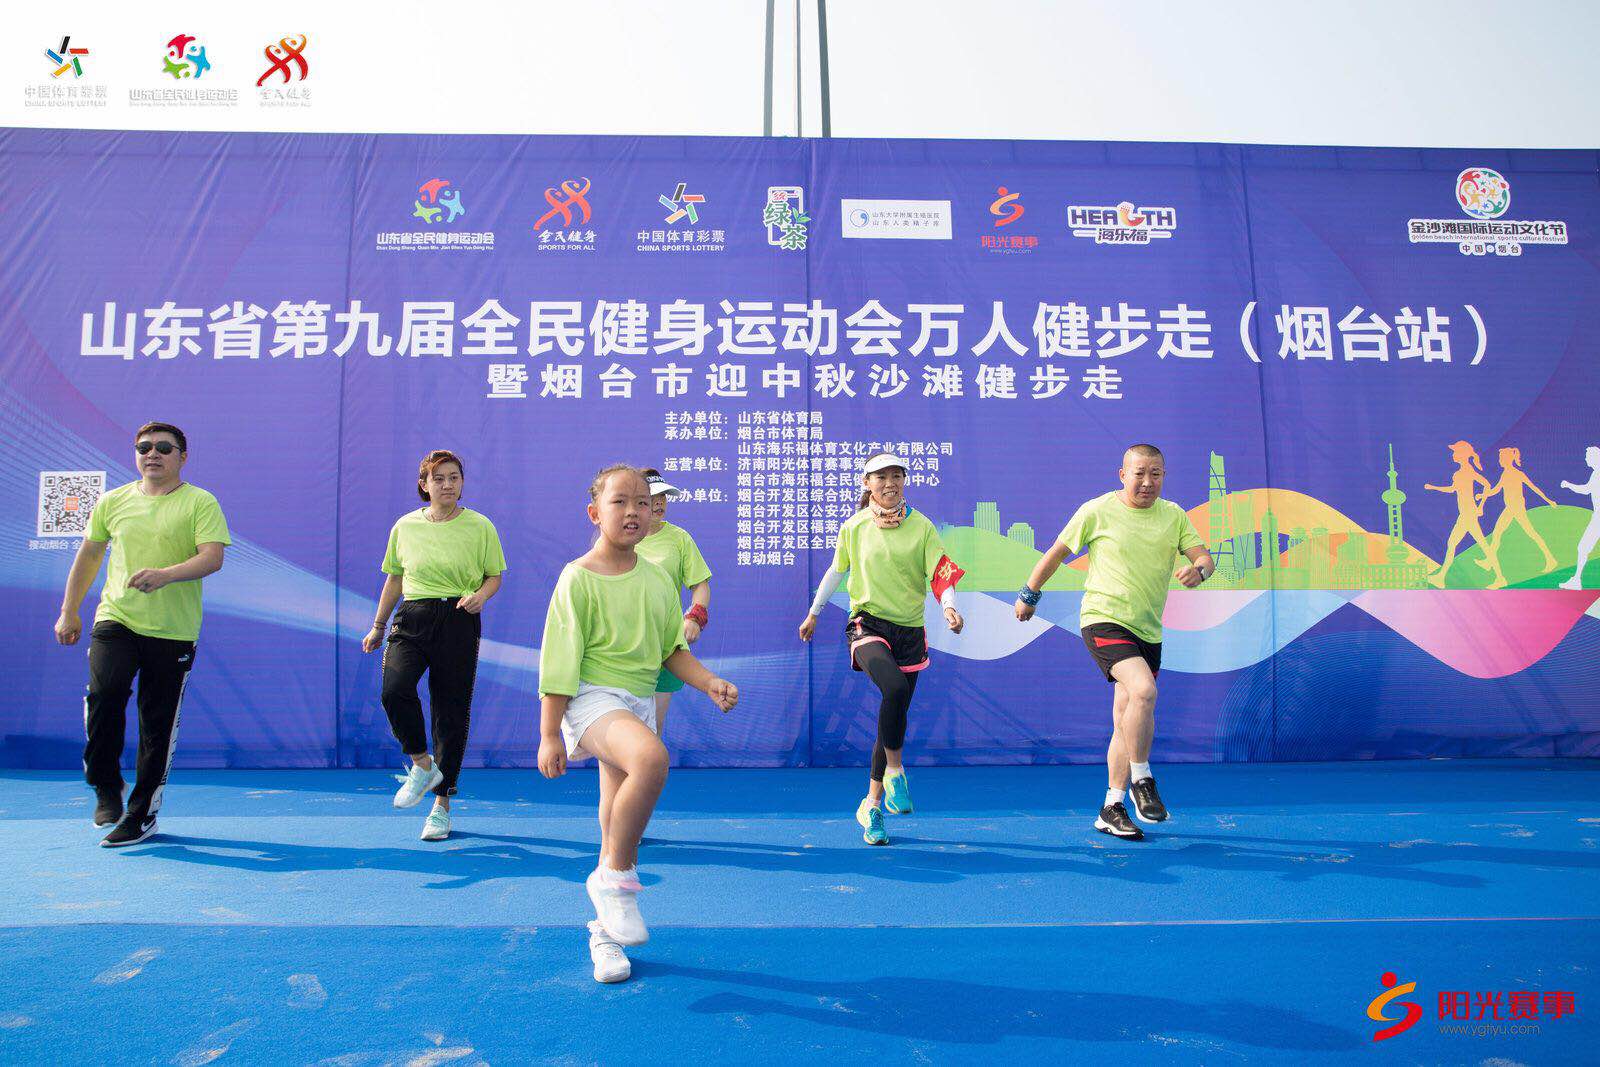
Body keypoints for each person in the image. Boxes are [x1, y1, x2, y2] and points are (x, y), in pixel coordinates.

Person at [537, 464, 738, 982]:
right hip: (592, 699)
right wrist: (549, 734)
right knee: (650, 759)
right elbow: (558, 662)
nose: (633, 511)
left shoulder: (655, 579)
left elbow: (672, 650)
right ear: (594, 513)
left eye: (643, 503)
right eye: (620, 502)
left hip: (638, 700)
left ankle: (604, 934)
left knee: (613, 814)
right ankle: (618, 879)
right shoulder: (577, 577)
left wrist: (708, 682)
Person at [1015, 444, 1212, 841]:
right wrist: (1029, 594)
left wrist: (1200, 571)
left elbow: (1204, 558)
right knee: (1144, 690)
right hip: (1103, 620)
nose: (1147, 482)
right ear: (1122, 475)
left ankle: (1112, 807)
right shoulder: (1097, 510)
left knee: (1127, 718)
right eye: (1139, 473)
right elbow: (1057, 553)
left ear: (1164, 476)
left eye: (1155, 474)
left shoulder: (1173, 515)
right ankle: (1142, 779)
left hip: (1147, 630)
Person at [55, 422, 230, 847]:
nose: (153, 454)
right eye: (144, 447)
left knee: (157, 726)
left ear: (182, 457)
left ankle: (141, 815)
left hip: (173, 630)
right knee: (105, 694)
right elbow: (90, 555)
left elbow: (212, 558)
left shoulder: (200, 502)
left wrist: (165, 575)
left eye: (164, 448)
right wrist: (69, 611)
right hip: (116, 618)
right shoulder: (113, 501)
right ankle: (105, 784)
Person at [798, 452, 965, 847]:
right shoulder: (854, 527)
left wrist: (949, 607)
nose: (890, 483)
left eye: (896, 476)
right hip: (867, 623)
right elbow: (836, 570)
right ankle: (895, 772)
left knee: (894, 712)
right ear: (867, 483)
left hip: (909, 630)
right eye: (881, 477)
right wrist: (814, 612)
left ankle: (872, 806)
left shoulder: (922, 526)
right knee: (893, 688)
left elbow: (941, 573)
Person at [362, 450, 505, 842]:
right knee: (394, 689)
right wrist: (377, 626)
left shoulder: (480, 526)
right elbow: (394, 578)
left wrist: (481, 596)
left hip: (459, 618)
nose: (447, 485)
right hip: (413, 616)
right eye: (438, 478)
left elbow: (494, 576)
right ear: (424, 485)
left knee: (450, 713)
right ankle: (422, 764)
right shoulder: (405, 526)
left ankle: (441, 806)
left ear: (462, 482)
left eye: (454, 477)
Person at [634, 469, 712, 743]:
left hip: (665, 645)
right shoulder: (620, 539)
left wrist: (695, 617)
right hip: (623, 646)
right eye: (652, 497)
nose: (659, 502)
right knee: (621, 730)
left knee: (652, 730)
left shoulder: (679, 538)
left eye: (664, 496)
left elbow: (700, 585)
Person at [1424, 440, 1506, 589]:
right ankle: (1441, 578)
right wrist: (1433, 487)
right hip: (1465, 514)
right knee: (1458, 544)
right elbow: (1452, 489)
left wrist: (1480, 505)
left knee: (1464, 545)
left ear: (1462, 454)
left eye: (1455, 452)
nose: (1453, 454)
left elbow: (1487, 485)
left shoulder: (1468, 471)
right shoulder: (1459, 473)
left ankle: (1500, 578)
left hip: (1469, 514)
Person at [1476, 447, 1558, 575]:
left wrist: (1549, 500)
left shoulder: (1517, 473)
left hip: (1517, 508)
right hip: (1510, 508)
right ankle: (1489, 562)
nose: (1499, 460)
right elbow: (1496, 490)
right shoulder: (1505, 474)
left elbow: (1534, 488)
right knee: (1497, 533)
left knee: (1531, 532)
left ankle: (1551, 559)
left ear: (1507, 459)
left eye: (1501, 458)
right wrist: (1483, 495)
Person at [1559, 445, 1600, 591]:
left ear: (1594, 457)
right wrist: (1569, 485)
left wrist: (1568, 485)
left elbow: (1585, 490)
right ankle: (1576, 580)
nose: (1585, 459)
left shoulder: (1598, 473)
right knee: (1583, 547)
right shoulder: (1596, 473)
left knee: (1583, 547)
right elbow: (1587, 489)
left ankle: (1576, 580)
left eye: (1587, 456)